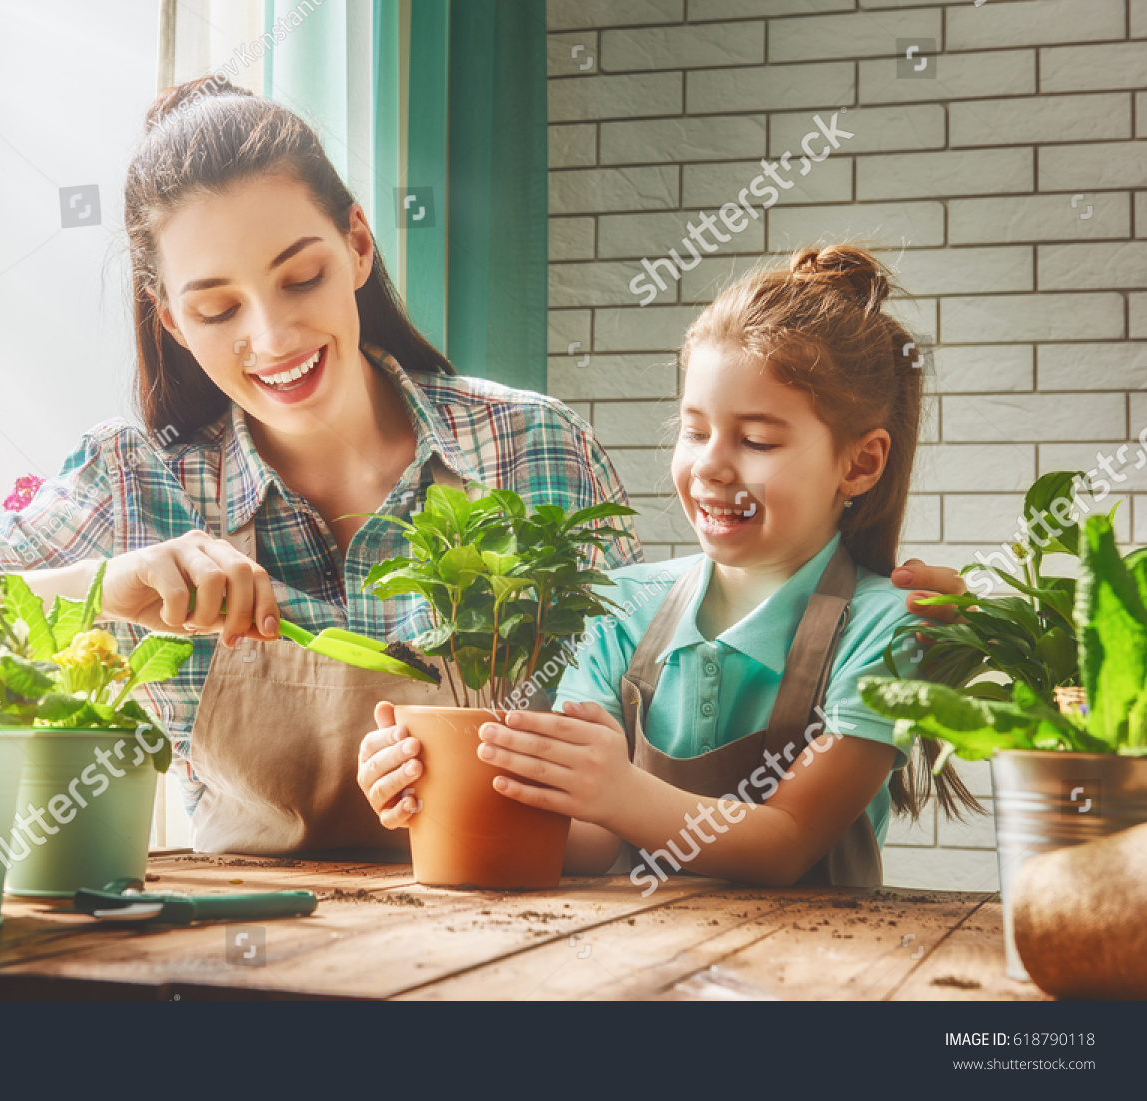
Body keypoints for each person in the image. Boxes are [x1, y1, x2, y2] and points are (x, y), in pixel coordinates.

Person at [0, 78, 961, 855]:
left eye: (301, 275)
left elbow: (624, 765)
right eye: (216, 306)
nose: (273, 334)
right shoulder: (134, 480)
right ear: (169, 318)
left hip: (503, 938)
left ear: (359, 247)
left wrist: (863, 612)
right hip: (237, 948)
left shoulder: (533, 452)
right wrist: (98, 583)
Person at [358, 245, 978, 884]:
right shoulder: (621, 606)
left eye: (757, 440)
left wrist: (620, 792)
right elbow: (591, 843)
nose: (710, 465)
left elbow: (788, 842)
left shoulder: (889, 629)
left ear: (860, 464)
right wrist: (429, 790)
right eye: (694, 431)